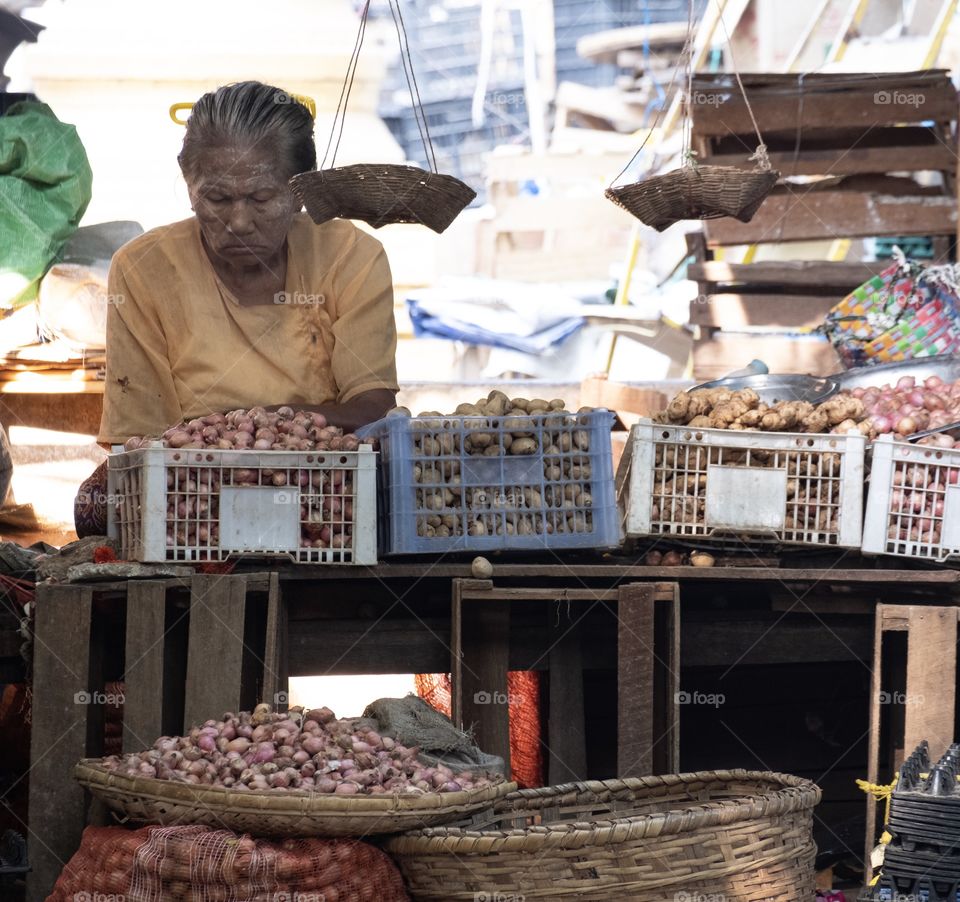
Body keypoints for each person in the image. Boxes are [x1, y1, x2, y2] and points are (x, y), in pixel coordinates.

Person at [75, 81, 399, 536]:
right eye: (218, 198)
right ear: (189, 187)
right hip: (192, 483)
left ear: (299, 192)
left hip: (321, 479)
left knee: (392, 489)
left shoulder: (350, 255)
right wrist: (228, 453)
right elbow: (138, 439)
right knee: (95, 504)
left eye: (262, 199)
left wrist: (250, 430)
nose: (240, 221)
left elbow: (374, 409)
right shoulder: (144, 266)